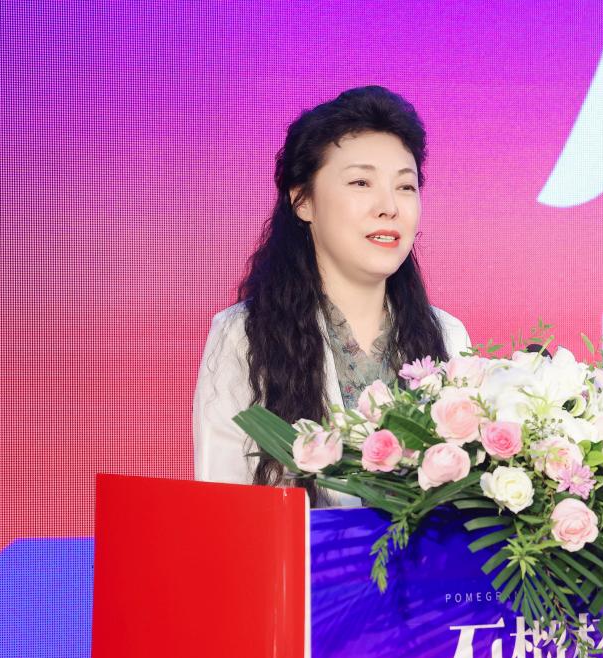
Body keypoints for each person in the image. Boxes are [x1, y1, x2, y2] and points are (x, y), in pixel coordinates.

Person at [192, 86, 471, 504]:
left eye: (405, 186)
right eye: (361, 182)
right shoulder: (245, 335)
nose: (389, 206)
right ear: (302, 200)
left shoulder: (448, 335)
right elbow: (223, 505)